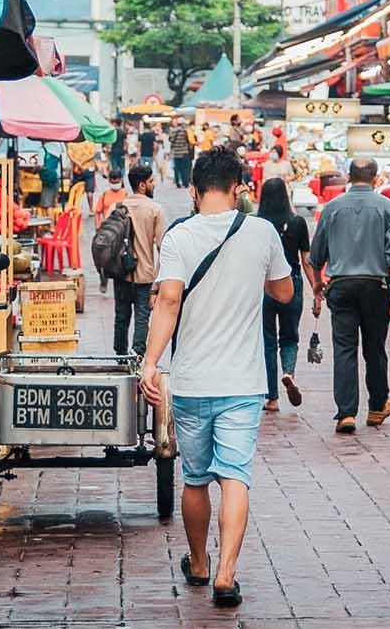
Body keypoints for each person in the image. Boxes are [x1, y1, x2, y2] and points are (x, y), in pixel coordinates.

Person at [140, 146, 294, 609]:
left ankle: (200, 562)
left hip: (191, 380)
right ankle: (227, 575)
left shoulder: (179, 236)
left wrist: (150, 363)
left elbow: (167, 301)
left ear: (193, 189)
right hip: (245, 382)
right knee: (235, 477)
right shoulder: (262, 231)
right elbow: (284, 293)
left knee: (195, 479)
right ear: (238, 188)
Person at [310, 157, 390, 433]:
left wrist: (318, 284)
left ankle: (346, 413)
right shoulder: (388, 208)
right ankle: (377, 407)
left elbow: (316, 256)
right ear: (376, 179)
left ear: (348, 177)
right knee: (374, 348)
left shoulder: (332, 208)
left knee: (344, 348)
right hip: (376, 285)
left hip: (340, 284)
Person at [256, 178, 313, 412]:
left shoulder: (257, 224)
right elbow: (306, 261)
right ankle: (288, 372)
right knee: (290, 337)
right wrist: (317, 288)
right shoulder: (297, 222)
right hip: (292, 283)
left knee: (267, 341)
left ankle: (272, 398)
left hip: (264, 285)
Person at [114, 164, 166, 356]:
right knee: (142, 318)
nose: (154, 185)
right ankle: (137, 358)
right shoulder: (155, 209)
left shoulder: (118, 207)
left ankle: (119, 357)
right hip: (145, 275)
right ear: (142, 185)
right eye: (151, 181)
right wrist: (159, 279)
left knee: (121, 317)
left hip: (121, 272)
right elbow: (163, 247)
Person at [67, 138, 99, 214]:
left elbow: (70, 156)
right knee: (90, 191)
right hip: (89, 169)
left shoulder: (71, 144)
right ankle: (91, 209)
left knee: (75, 190)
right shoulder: (91, 142)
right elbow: (93, 154)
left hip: (77, 170)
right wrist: (83, 162)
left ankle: (74, 208)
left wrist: (79, 164)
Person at [169, 118, 193, 188]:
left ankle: (177, 183)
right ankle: (185, 183)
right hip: (184, 152)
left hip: (176, 153)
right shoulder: (185, 131)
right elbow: (189, 141)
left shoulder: (173, 131)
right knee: (184, 168)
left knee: (176, 169)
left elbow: (170, 140)